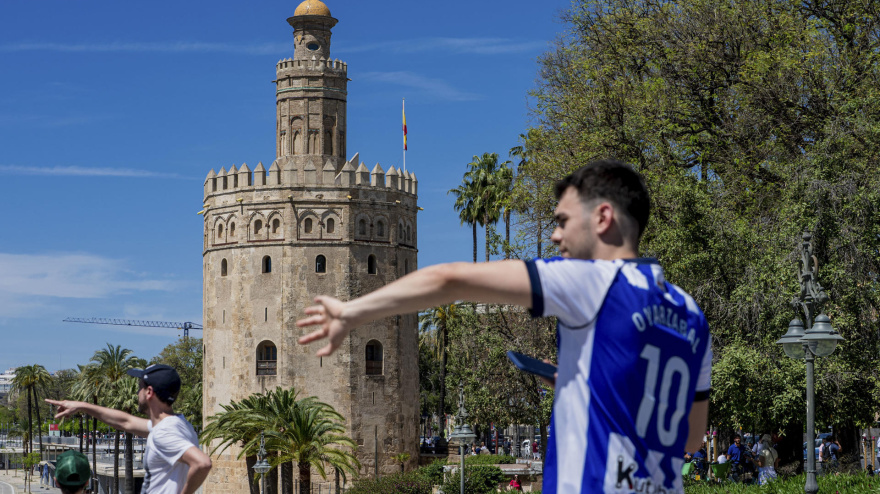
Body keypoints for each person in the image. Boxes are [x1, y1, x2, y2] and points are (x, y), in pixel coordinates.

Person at [296, 160, 712, 493]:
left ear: (603, 217)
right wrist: (585, 385)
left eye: (564, 220)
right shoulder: (691, 314)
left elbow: (450, 280)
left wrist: (352, 312)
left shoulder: (593, 280)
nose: (554, 236)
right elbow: (692, 438)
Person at [47, 364, 212, 494]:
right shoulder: (179, 424)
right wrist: (81, 406)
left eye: (140, 386)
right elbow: (126, 422)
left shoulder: (164, 432)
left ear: (149, 392)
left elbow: (202, 463)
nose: (137, 392)